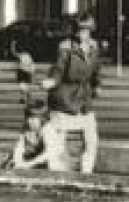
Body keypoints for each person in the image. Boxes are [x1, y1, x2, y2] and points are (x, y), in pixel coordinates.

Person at [43, 15, 103, 173]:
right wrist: (52, 81)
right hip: (64, 97)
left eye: (85, 30)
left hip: (83, 99)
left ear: (91, 31)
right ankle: (56, 171)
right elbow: (59, 68)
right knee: (57, 139)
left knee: (92, 138)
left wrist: (97, 85)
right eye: (79, 30)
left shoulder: (94, 47)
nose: (81, 33)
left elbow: (96, 69)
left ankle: (87, 171)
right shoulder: (66, 47)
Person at [2, 52, 51, 169]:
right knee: (27, 138)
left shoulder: (36, 79)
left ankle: (32, 160)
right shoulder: (23, 77)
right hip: (32, 116)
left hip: (40, 117)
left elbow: (40, 102)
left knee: (40, 141)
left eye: (24, 64)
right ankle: (16, 159)